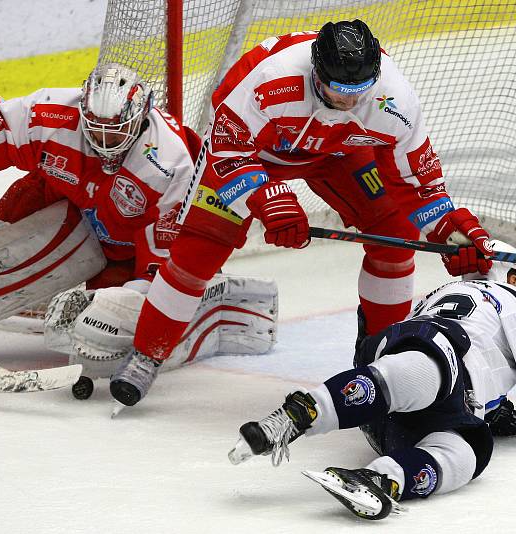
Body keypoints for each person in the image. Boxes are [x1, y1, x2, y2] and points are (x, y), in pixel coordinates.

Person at [108, 19, 495, 411]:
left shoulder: (393, 101)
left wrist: (450, 232)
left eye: (358, 92)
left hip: (337, 153)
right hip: (253, 155)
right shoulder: (270, 82)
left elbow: (417, 184)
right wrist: (267, 200)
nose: (348, 101)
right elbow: (227, 153)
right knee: (198, 251)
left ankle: (384, 356)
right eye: (338, 91)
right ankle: (146, 355)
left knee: (395, 236)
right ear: (317, 72)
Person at [227, 240, 516, 520]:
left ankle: (380, 476)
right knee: (432, 371)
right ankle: (309, 419)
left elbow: (487, 361)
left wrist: (495, 411)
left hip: (389, 392)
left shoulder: (444, 290)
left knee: (469, 446)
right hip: (433, 357)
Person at [0, 62, 198, 291]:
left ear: (140, 122)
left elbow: (164, 258)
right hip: (61, 204)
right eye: (94, 131)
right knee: (29, 194)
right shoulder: (54, 113)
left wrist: (138, 297)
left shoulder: (169, 164)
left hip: (123, 254)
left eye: (112, 136)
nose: (102, 145)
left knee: (106, 318)